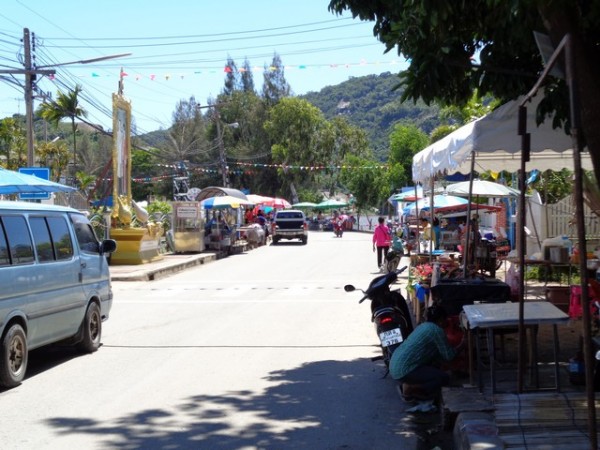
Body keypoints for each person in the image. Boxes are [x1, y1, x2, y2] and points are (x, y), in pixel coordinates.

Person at [389, 305, 466, 402]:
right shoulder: (436, 330)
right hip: (403, 370)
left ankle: (413, 385)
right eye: (446, 319)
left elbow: (437, 356)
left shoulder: (424, 326)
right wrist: (463, 344)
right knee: (443, 378)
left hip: (395, 365)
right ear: (441, 319)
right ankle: (411, 387)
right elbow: (449, 356)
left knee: (436, 367)